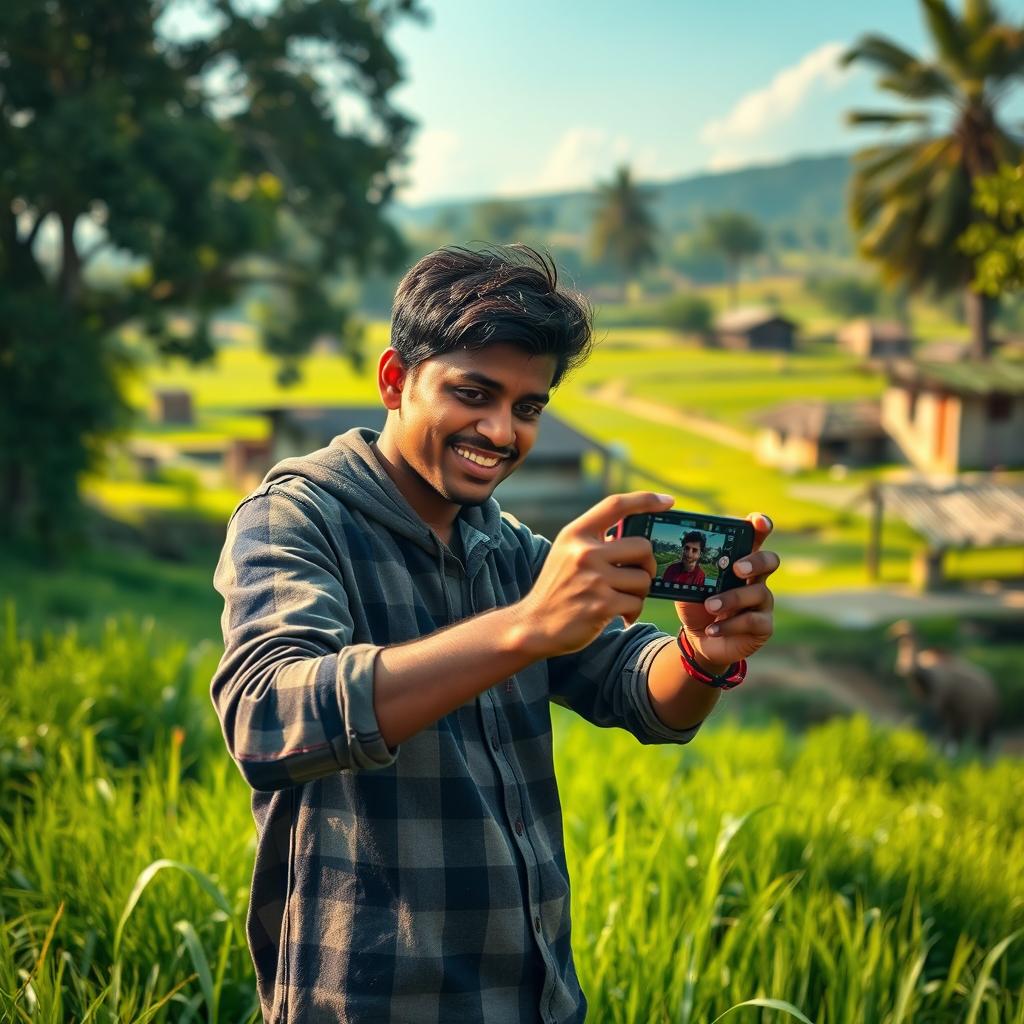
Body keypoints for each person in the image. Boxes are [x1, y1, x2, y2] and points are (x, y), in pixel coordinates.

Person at [210, 245, 780, 1024]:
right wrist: (524, 627)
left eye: (528, 407)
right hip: (368, 1001)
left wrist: (702, 658)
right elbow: (266, 717)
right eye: (473, 393)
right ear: (393, 379)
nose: (501, 430)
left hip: (531, 999)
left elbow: (644, 700)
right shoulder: (296, 519)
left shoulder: (506, 547)